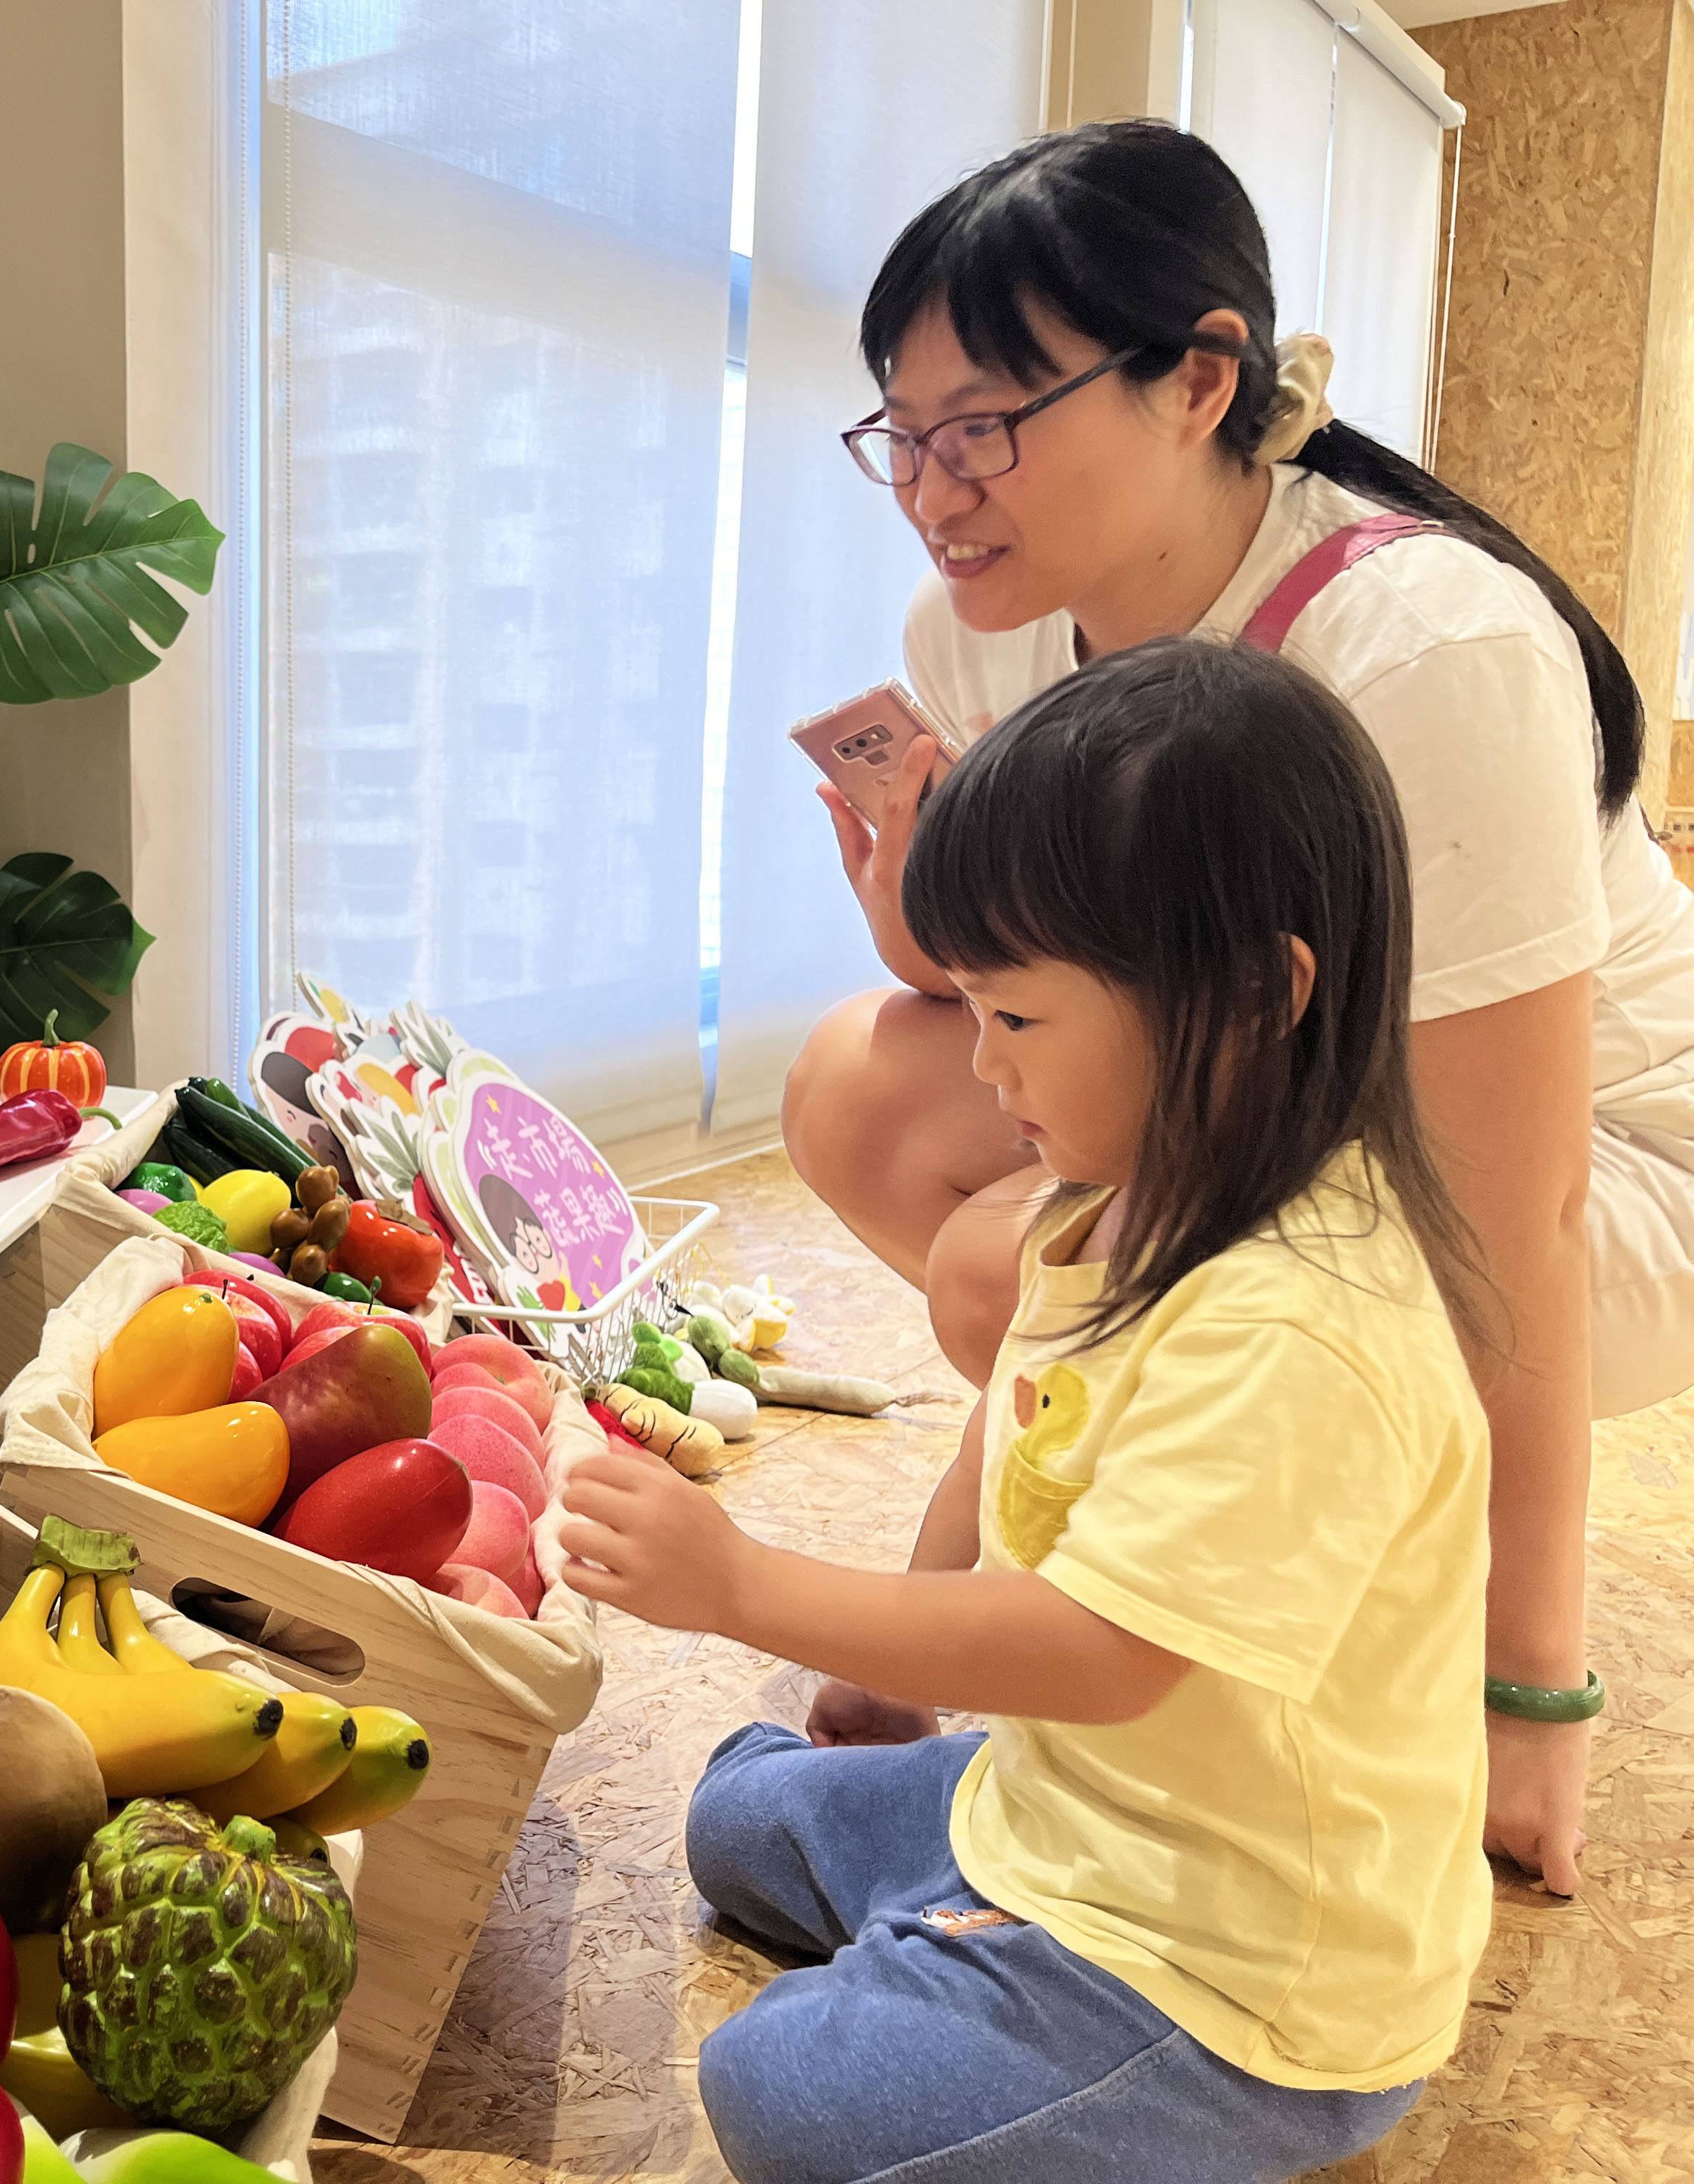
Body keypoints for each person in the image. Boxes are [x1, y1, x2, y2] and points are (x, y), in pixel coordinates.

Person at [779, 120, 1694, 1899]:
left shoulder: (1427, 649)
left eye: (985, 428)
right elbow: (1046, 995)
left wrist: (1529, 1694)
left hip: (1619, 1182)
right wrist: (919, 916)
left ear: (1199, 378)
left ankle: (1289, 1531)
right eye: (903, 433)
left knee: (1024, 1254)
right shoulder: (987, 624)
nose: (933, 488)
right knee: (861, 1090)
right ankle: (1193, 1509)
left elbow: (1525, 1204)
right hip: (1285, 1099)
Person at [566, 640, 1493, 2180]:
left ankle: (990, 1993)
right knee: (739, 1824)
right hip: (1074, 1809)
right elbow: (1021, 1414)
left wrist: (746, 1589)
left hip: (1234, 1978)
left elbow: (1105, 1654)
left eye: (1020, 1020)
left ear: (1254, 995)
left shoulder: (1301, 1320)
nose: (981, 1069)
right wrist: (907, 1629)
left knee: (775, 2092)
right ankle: (955, 1938)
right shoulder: (1118, 1192)